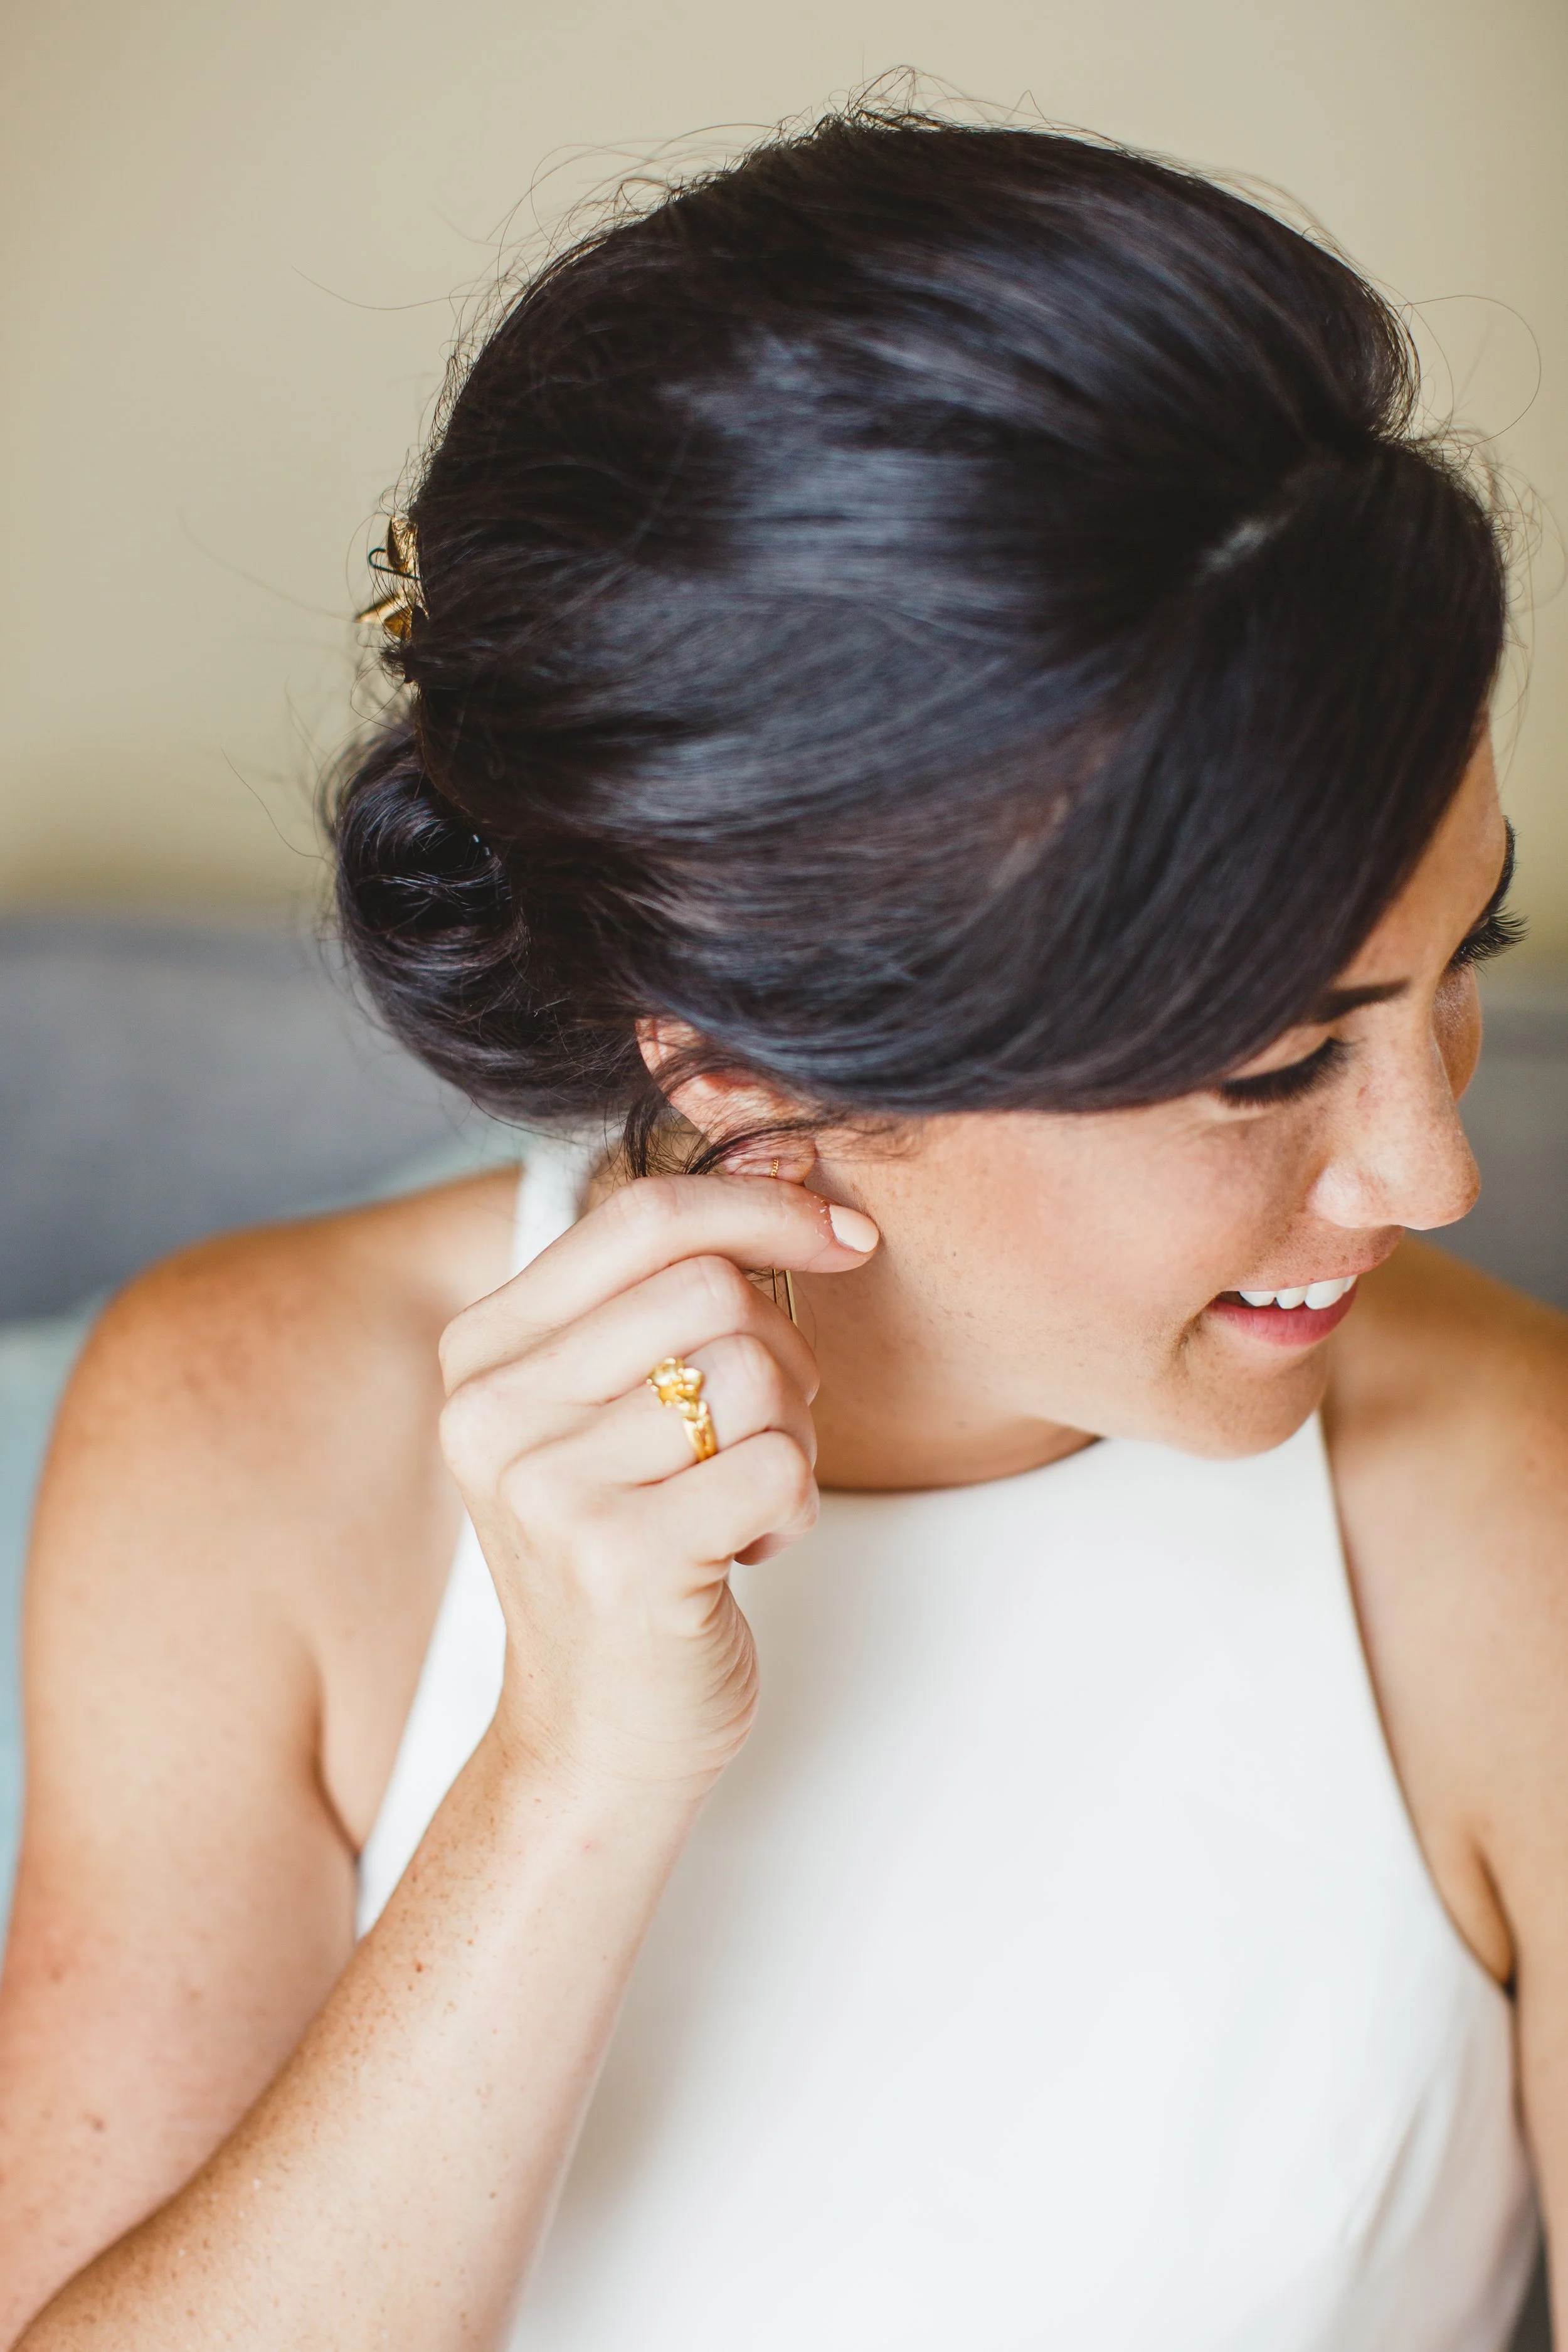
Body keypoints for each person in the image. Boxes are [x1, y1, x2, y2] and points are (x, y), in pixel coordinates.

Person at [0, 103, 1562, 2352]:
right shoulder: (235, 1437)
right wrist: (567, 1777)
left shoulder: (1517, 1514)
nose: (1431, 1173)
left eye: (1457, 958)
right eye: (1272, 1062)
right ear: (735, 1047)